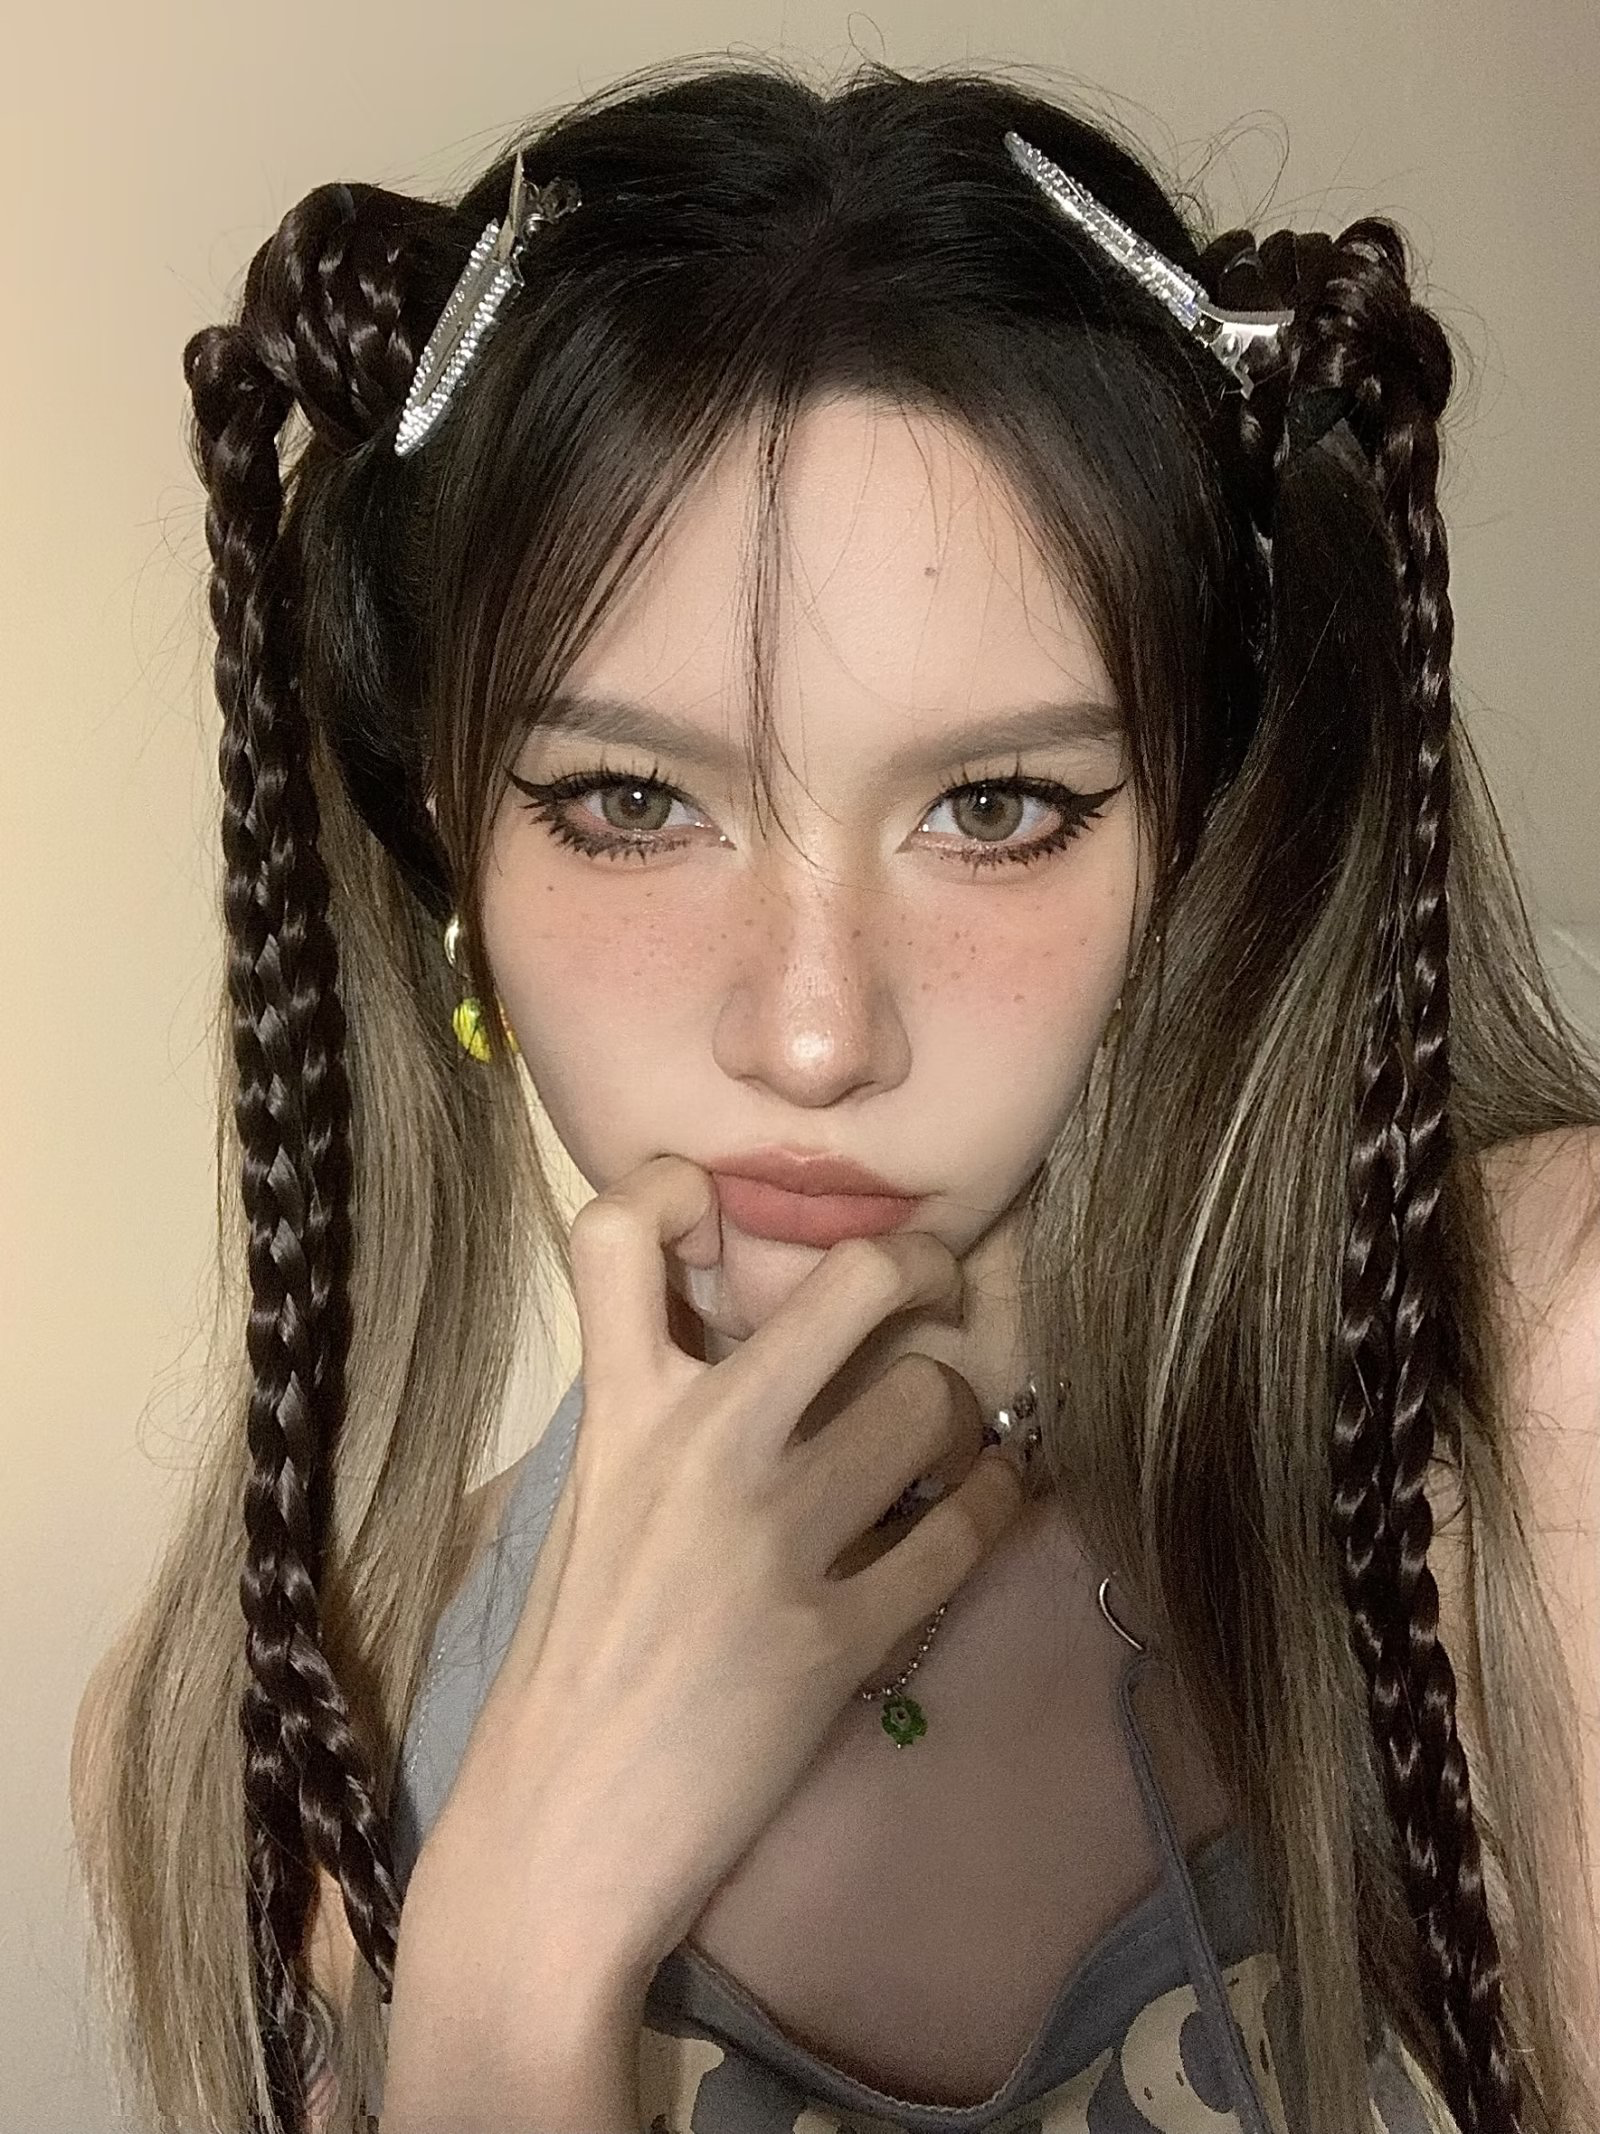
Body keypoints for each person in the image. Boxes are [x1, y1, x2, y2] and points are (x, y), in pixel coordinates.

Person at [68, 51, 1600, 2134]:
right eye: (631, 800)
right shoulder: (259, 1742)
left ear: (1206, 833)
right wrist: (511, 1957)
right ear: (446, 861)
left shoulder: (1537, 1400)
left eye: (996, 806)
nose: (810, 1034)